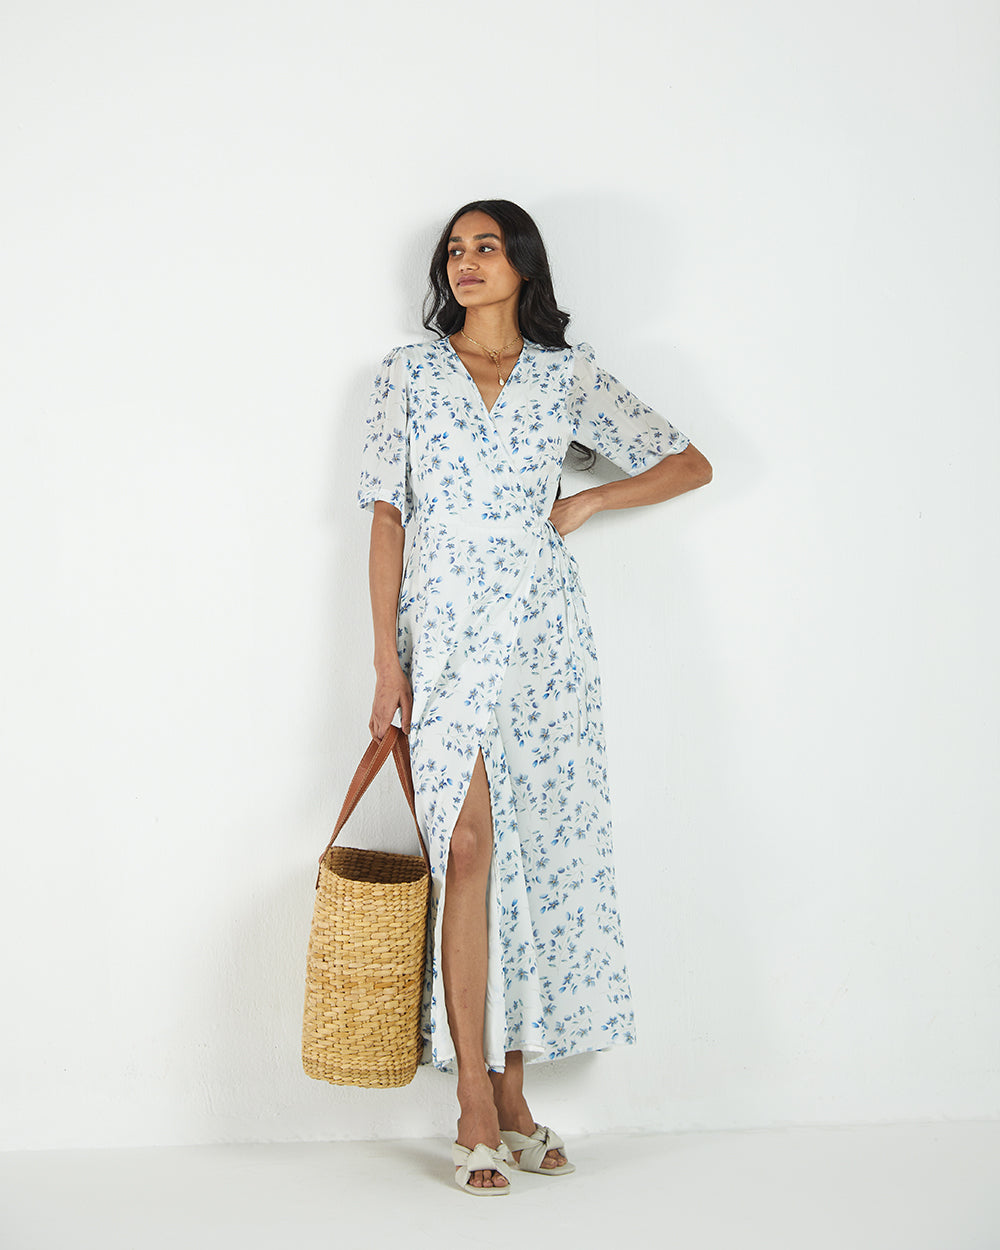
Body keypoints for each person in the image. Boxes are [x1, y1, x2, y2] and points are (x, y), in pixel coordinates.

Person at [358, 199, 712, 1196]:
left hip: (542, 634)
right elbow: (385, 515)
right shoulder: (408, 372)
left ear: (522, 264)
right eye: (454, 250)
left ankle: (514, 1096)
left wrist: (589, 497)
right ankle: (472, 1096)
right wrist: (386, 665)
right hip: (441, 631)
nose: (466, 262)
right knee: (467, 846)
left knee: (530, 855)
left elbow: (689, 462)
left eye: (486, 247)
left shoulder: (566, 374)